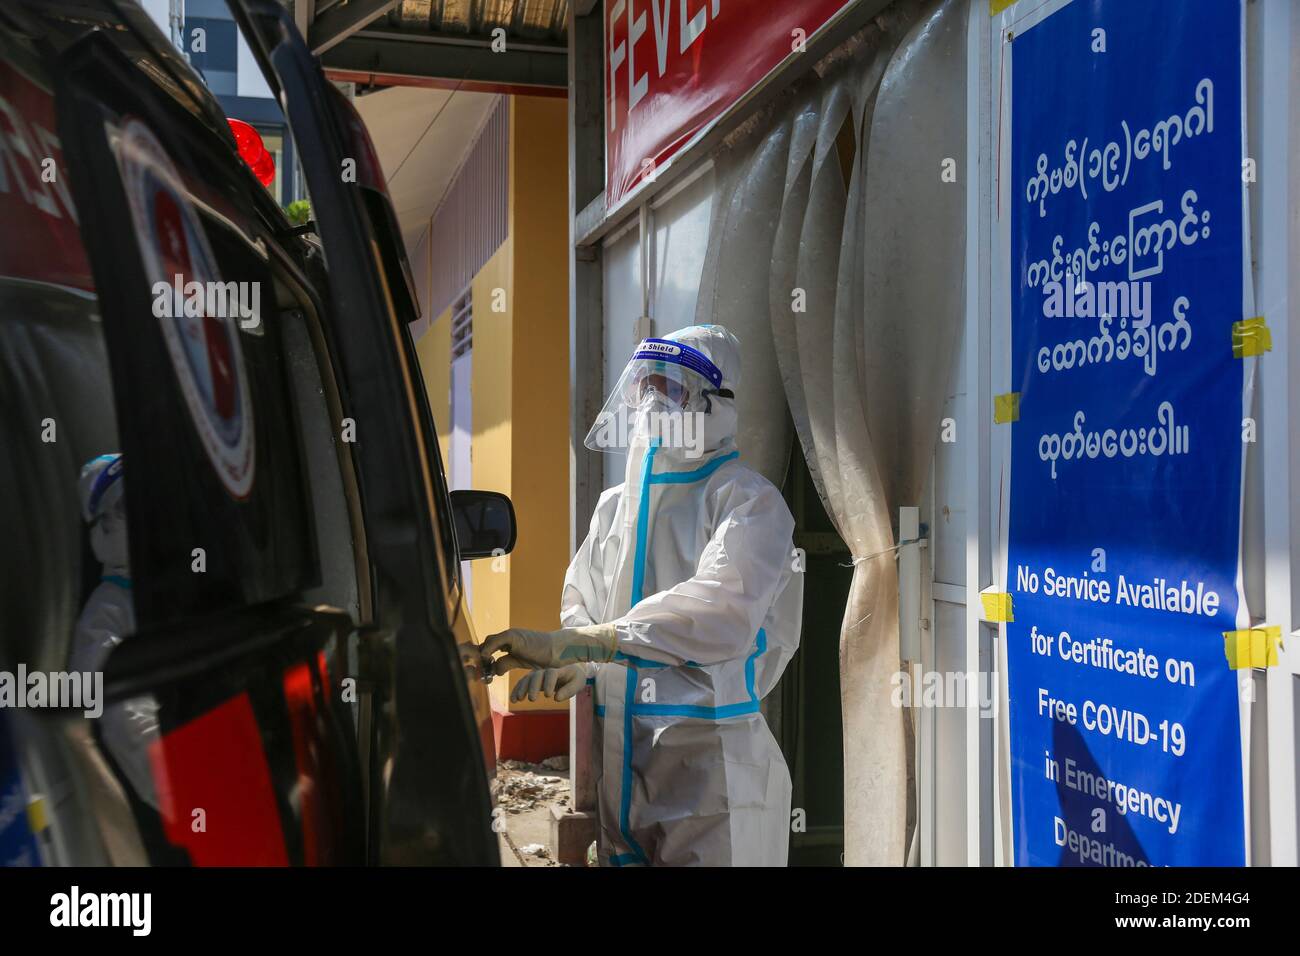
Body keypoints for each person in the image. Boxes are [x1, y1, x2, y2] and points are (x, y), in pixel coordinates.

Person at [481, 325, 803, 866]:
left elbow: (718, 610)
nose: (651, 402)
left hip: (711, 779)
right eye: (643, 387)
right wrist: (583, 661)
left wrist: (593, 643)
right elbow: (584, 593)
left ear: (714, 405)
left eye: (668, 388)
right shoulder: (615, 506)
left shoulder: (747, 502)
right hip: (623, 773)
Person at [71, 454, 159, 807]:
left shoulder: (178, 584)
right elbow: (125, 720)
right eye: (128, 505)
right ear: (103, 528)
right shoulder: (106, 615)